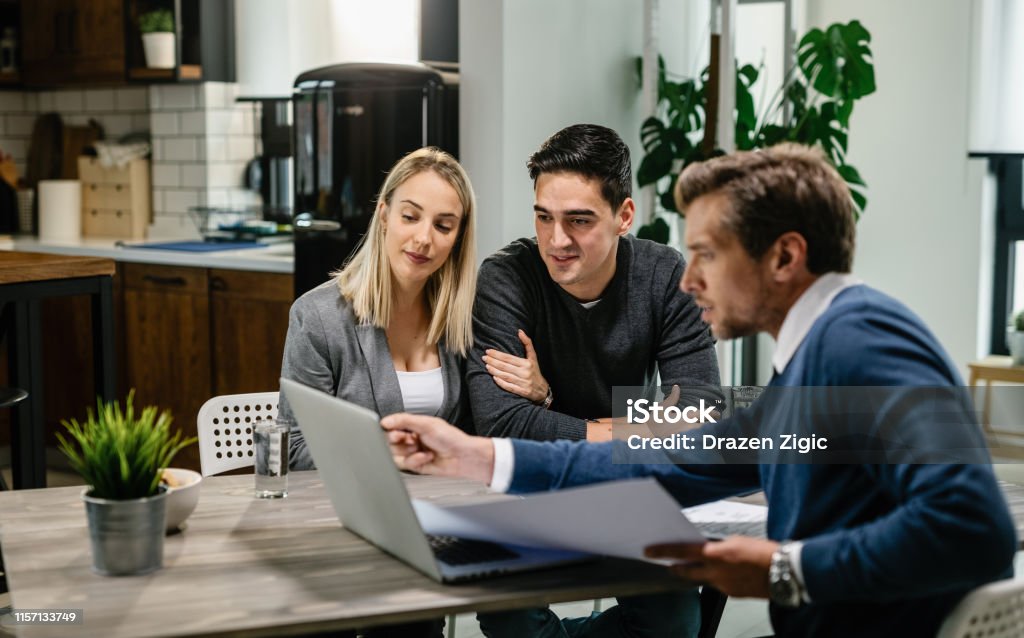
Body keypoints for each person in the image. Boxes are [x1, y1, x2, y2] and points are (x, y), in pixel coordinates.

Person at [382, 144, 1018, 638]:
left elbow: (972, 526)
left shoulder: (863, 338)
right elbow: (669, 456)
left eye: (708, 254)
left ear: (784, 257)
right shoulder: (810, 365)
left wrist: (781, 569)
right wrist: (474, 456)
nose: (687, 281)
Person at [469, 124, 720, 637]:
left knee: (674, 619)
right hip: (528, 490)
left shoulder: (665, 276)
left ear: (624, 216)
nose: (556, 240)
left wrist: (548, 404)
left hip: (628, 487)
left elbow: (701, 411)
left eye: (578, 221)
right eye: (544, 218)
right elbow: (500, 421)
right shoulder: (507, 278)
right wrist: (627, 432)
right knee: (511, 619)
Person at [278, 147, 485, 638]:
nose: (423, 238)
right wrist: (386, 453)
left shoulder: (462, 322)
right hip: (338, 530)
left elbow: (483, 428)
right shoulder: (319, 317)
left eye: (443, 225)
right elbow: (293, 447)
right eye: (411, 216)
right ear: (384, 215)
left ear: (458, 238)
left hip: (430, 532)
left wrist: (537, 390)